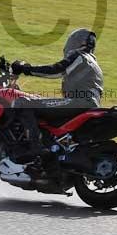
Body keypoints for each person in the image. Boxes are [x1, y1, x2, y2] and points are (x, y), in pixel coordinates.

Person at [10, 28, 103, 162]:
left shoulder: (80, 57)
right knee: (38, 101)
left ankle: (35, 147)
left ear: (78, 43)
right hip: (86, 104)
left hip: (79, 102)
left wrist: (26, 69)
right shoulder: (93, 63)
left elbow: (56, 70)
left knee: (23, 103)